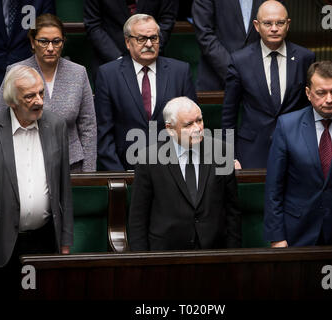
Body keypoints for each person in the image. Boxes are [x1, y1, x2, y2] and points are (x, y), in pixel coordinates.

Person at [0, 65, 73, 299]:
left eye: (41, 93)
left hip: (43, 239)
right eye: (30, 96)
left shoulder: (56, 126)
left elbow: (64, 188)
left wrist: (65, 239)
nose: (39, 101)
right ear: (12, 101)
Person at [264, 60, 332, 247]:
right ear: (308, 93)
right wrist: (277, 237)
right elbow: (274, 186)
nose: (330, 99)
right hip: (296, 231)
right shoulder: (287, 126)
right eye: (321, 93)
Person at [129, 96, 241, 251]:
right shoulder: (149, 159)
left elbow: (232, 212)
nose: (197, 128)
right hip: (165, 255)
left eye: (199, 120)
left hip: (213, 252)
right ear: (170, 128)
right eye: (188, 124)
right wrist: (141, 263)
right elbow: (138, 218)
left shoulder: (221, 152)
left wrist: (233, 256)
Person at [0, 13, 97, 172]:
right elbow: (1, 122)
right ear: (32, 42)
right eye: (43, 41)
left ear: (63, 42)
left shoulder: (78, 73)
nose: (50, 48)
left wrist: (89, 173)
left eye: (56, 41)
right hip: (25, 163)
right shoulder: (15, 72)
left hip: (70, 165)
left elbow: (88, 126)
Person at [95, 14, 197, 171]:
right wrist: (120, 176)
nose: (149, 44)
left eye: (154, 38)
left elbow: (192, 127)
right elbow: (104, 134)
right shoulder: (108, 75)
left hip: (173, 171)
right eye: (141, 39)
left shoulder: (180, 72)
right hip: (126, 169)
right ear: (128, 42)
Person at [222, 0, 315, 168]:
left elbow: (309, 108)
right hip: (252, 149)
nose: (274, 28)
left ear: (288, 24)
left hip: (296, 148)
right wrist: (230, 156)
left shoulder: (305, 58)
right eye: (268, 23)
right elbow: (229, 115)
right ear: (257, 26)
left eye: (280, 23)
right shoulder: (240, 60)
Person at [83, 0, 179, 81]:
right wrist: (118, 60)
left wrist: (149, 50)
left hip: (151, 62)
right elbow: (93, 24)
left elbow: (167, 20)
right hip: (109, 60)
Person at [192, 0, 273, 90]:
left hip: (261, 82)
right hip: (216, 81)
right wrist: (234, 72)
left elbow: (276, 31)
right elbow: (205, 34)